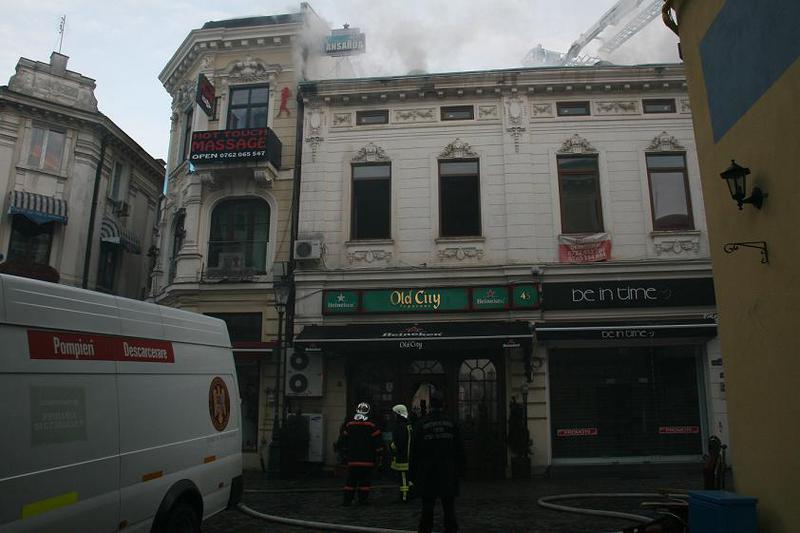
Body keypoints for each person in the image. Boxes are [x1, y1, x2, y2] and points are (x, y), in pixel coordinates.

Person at [410, 390, 465, 533]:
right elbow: (460, 449)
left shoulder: (422, 424)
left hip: (428, 472)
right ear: (443, 404)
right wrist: (461, 471)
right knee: (449, 509)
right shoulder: (452, 423)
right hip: (448, 471)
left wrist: (413, 474)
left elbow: (414, 451)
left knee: (427, 510)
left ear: (430, 405)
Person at [341, 402, 383, 506]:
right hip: (367, 460)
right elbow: (378, 443)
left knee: (351, 481)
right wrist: (380, 455)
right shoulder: (372, 425)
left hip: (352, 460)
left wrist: (345, 453)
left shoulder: (349, 425)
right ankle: (363, 500)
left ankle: (347, 501)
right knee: (365, 482)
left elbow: (343, 440)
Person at [389, 404, 413, 502]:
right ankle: (410, 494)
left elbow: (400, 442)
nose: (393, 416)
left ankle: (404, 496)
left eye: (394, 413)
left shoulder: (400, 426)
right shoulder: (408, 425)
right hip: (408, 456)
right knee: (408, 477)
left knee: (403, 478)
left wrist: (392, 446)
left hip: (403, 457)